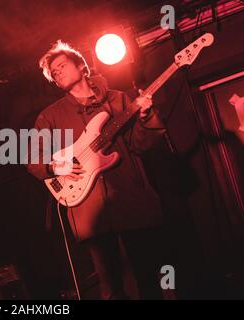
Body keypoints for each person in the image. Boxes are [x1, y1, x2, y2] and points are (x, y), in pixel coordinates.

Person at [27, 40, 167, 299]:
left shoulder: (116, 100)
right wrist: (55, 167)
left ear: (81, 66)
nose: (57, 73)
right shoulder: (50, 116)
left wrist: (146, 117)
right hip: (89, 210)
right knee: (111, 290)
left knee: (149, 281)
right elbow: (33, 157)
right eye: (53, 73)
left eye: (61, 66)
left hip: (131, 201)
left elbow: (139, 145)